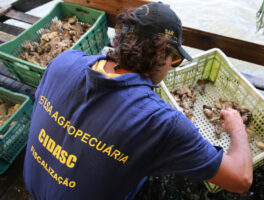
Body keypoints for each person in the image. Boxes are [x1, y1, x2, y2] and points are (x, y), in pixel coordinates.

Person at [23, 2, 252, 200]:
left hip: (33, 184)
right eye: (176, 60)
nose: (172, 67)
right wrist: (237, 127)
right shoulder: (161, 122)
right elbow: (241, 179)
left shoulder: (65, 59)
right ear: (162, 54)